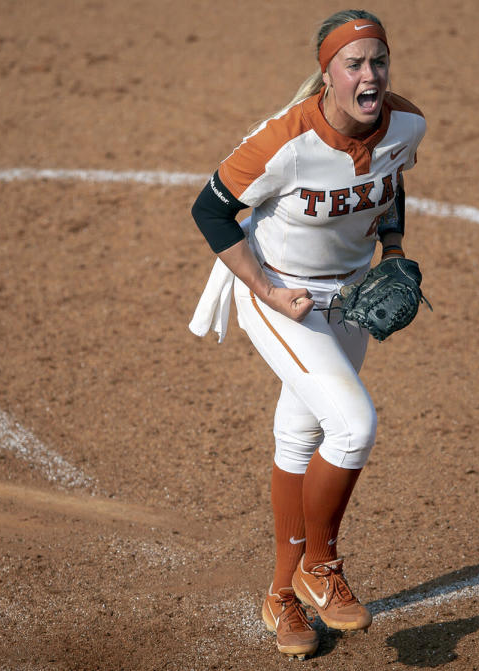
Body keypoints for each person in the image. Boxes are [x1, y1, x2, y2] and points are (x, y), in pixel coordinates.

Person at [188, 9, 427, 659]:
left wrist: (393, 247)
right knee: (352, 424)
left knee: (300, 434)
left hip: (350, 297)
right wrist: (264, 289)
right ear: (327, 74)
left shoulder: (406, 124)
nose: (369, 73)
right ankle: (317, 565)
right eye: (354, 63)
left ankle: (281, 597)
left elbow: (390, 179)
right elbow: (209, 209)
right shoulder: (285, 141)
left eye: (378, 60)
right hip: (282, 296)